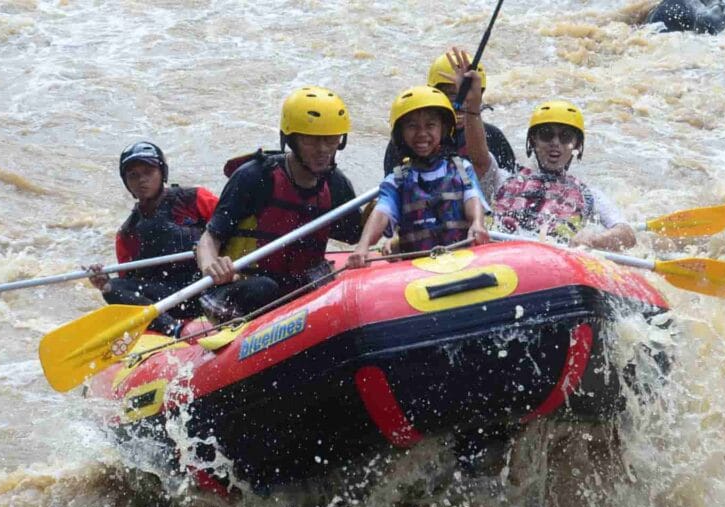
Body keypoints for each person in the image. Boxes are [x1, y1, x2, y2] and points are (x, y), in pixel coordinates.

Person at [195, 87, 363, 321]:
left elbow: (356, 236)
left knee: (338, 289)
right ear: (292, 140)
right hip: (242, 285)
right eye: (311, 140)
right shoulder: (255, 177)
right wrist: (211, 266)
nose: (323, 149)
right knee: (264, 288)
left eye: (331, 139)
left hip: (296, 284)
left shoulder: (336, 184)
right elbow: (209, 239)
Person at [447, 50, 636, 251]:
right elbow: (479, 158)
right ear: (533, 141)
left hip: (553, 261)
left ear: (577, 146)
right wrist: (473, 106)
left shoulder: (590, 195)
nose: (555, 143)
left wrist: (595, 240)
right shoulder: (501, 179)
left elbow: (626, 234)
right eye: (546, 135)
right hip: (498, 255)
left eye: (565, 137)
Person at [347, 86, 489, 269]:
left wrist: (477, 223)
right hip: (416, 270)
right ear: (401, 134)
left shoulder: (461, 168)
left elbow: (472, 197)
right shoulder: (397, 179)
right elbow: (383, 211)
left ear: (443, 129)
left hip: (463, 260)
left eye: (430, 125)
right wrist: (363, 245)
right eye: (412, 126)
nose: (422, 133)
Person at [89, 141, 219, 337]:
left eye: (148, 172)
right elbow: (130, 284)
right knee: (112, 287)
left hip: (209, 286)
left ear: (162, 173)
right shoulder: (127, 233)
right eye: (133, 175)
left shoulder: (194, 199)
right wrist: (103, 281)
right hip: (170, 301)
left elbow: (230, 227)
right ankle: (173, 329)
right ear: (126, 183)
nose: (142, 180)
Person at [382, 52, 516, 176]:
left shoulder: (492, 136)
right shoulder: (405, 142)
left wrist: (473, 109)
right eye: (451, 95)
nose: (461, 103)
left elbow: (505, 181)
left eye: (467, 94)